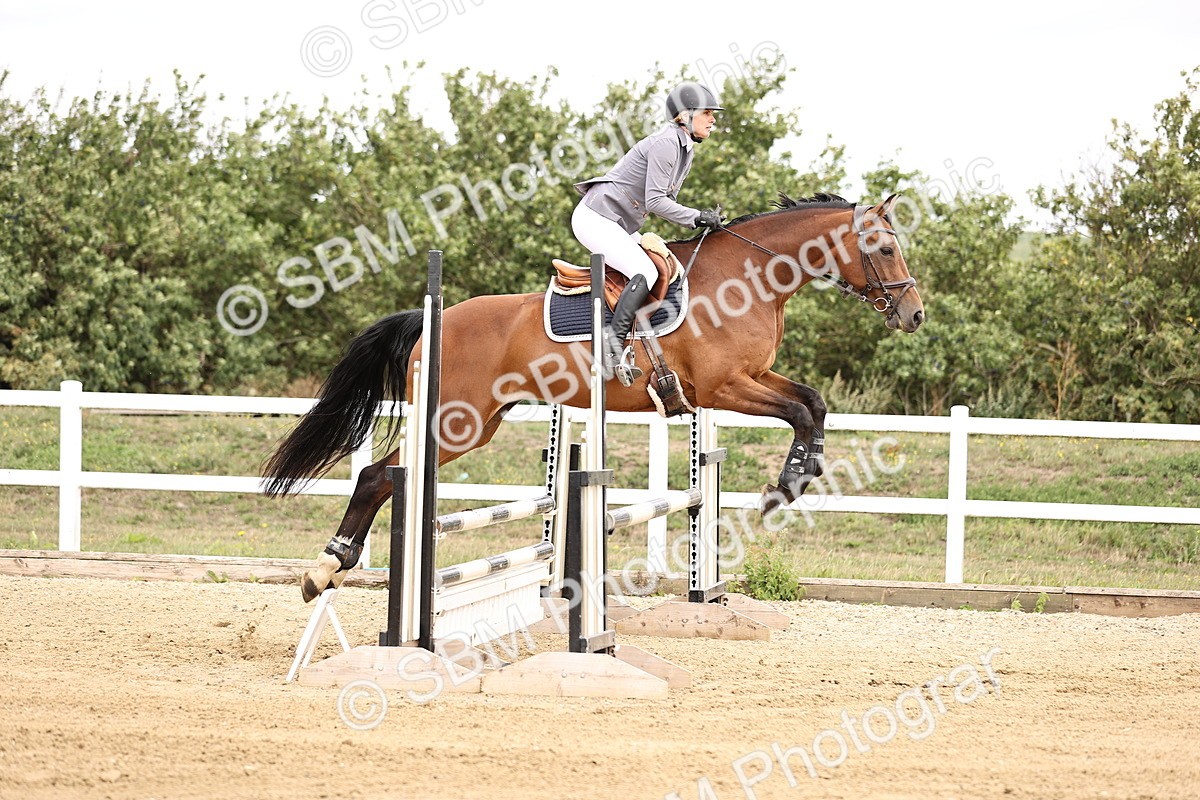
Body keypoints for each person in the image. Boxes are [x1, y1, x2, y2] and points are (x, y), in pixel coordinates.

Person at [572, 81, 726, 383]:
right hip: (596, 217)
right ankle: (610, 348)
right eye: (707, 113)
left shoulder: (685, 149)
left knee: (665, 263)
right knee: (646, 270)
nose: (713, 119)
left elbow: (666, 202)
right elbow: (656, 201)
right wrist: (697, 217)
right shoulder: (667, 143)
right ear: (686, 114)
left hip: (616, 222)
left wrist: (701, 219)